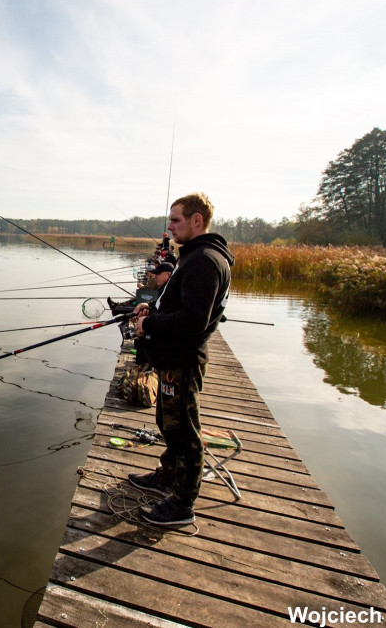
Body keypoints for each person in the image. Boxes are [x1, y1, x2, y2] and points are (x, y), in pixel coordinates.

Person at [128, 193, 233, 526]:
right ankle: (168, 476)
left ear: (196, 220)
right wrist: (153, 308)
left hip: (183, 363)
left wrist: (150, 323)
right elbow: (182, 306)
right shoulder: (196, 256)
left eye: (175, 220)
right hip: (173, 360)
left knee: (185, 435)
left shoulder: (204, 260)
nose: (169, 227)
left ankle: (182, 507)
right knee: (168, 426)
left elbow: (193, 321)